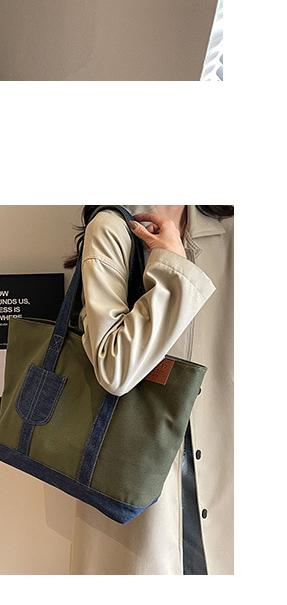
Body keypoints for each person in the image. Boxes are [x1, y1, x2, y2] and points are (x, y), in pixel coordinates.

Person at [64, 204, 234, 574]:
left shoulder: (232, 229)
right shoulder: (110, 228)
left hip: (225, 469)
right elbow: (116, 370)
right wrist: (172, 267)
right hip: (141, 488)